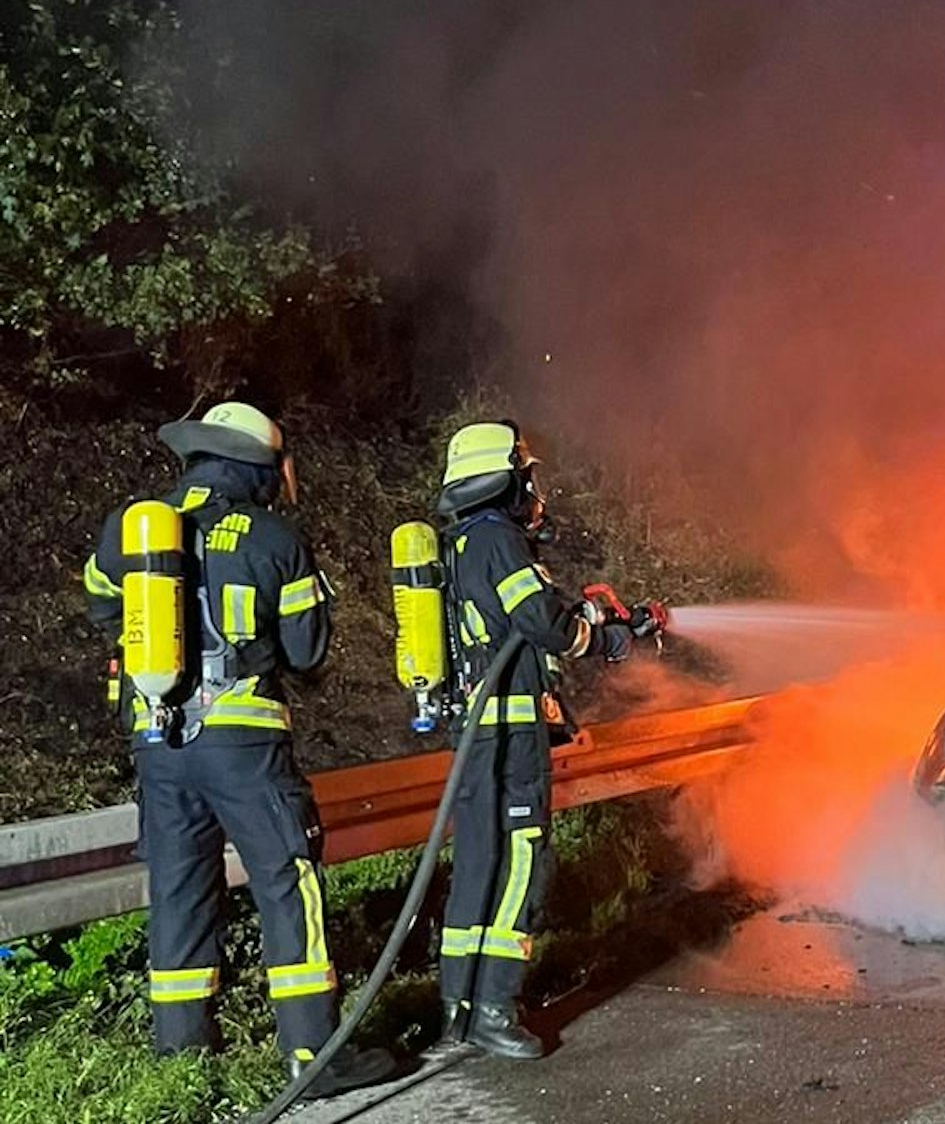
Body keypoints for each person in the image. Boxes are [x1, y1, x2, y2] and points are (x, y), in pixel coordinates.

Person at [82, 402, 394, 1096]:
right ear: (259, 465)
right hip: (244, 743)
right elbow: (307, 650)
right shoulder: (270, 535)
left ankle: (183, 1060)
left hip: (159, 742)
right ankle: (314, 1054)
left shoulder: (130, 528)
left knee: (179, 889)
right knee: (288, 879)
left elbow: (102, 602)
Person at [432, 420, 635, 1059]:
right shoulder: (498, 539)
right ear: (507, 479)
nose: (532, 486)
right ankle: (496, 1005)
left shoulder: (463, 543)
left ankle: (457, 1013)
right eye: (525, 475)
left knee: (477, 863)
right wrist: (602, 639)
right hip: (511, 730)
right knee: (523, 856)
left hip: (477, 732)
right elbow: (539, 620)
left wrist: (593, 615)